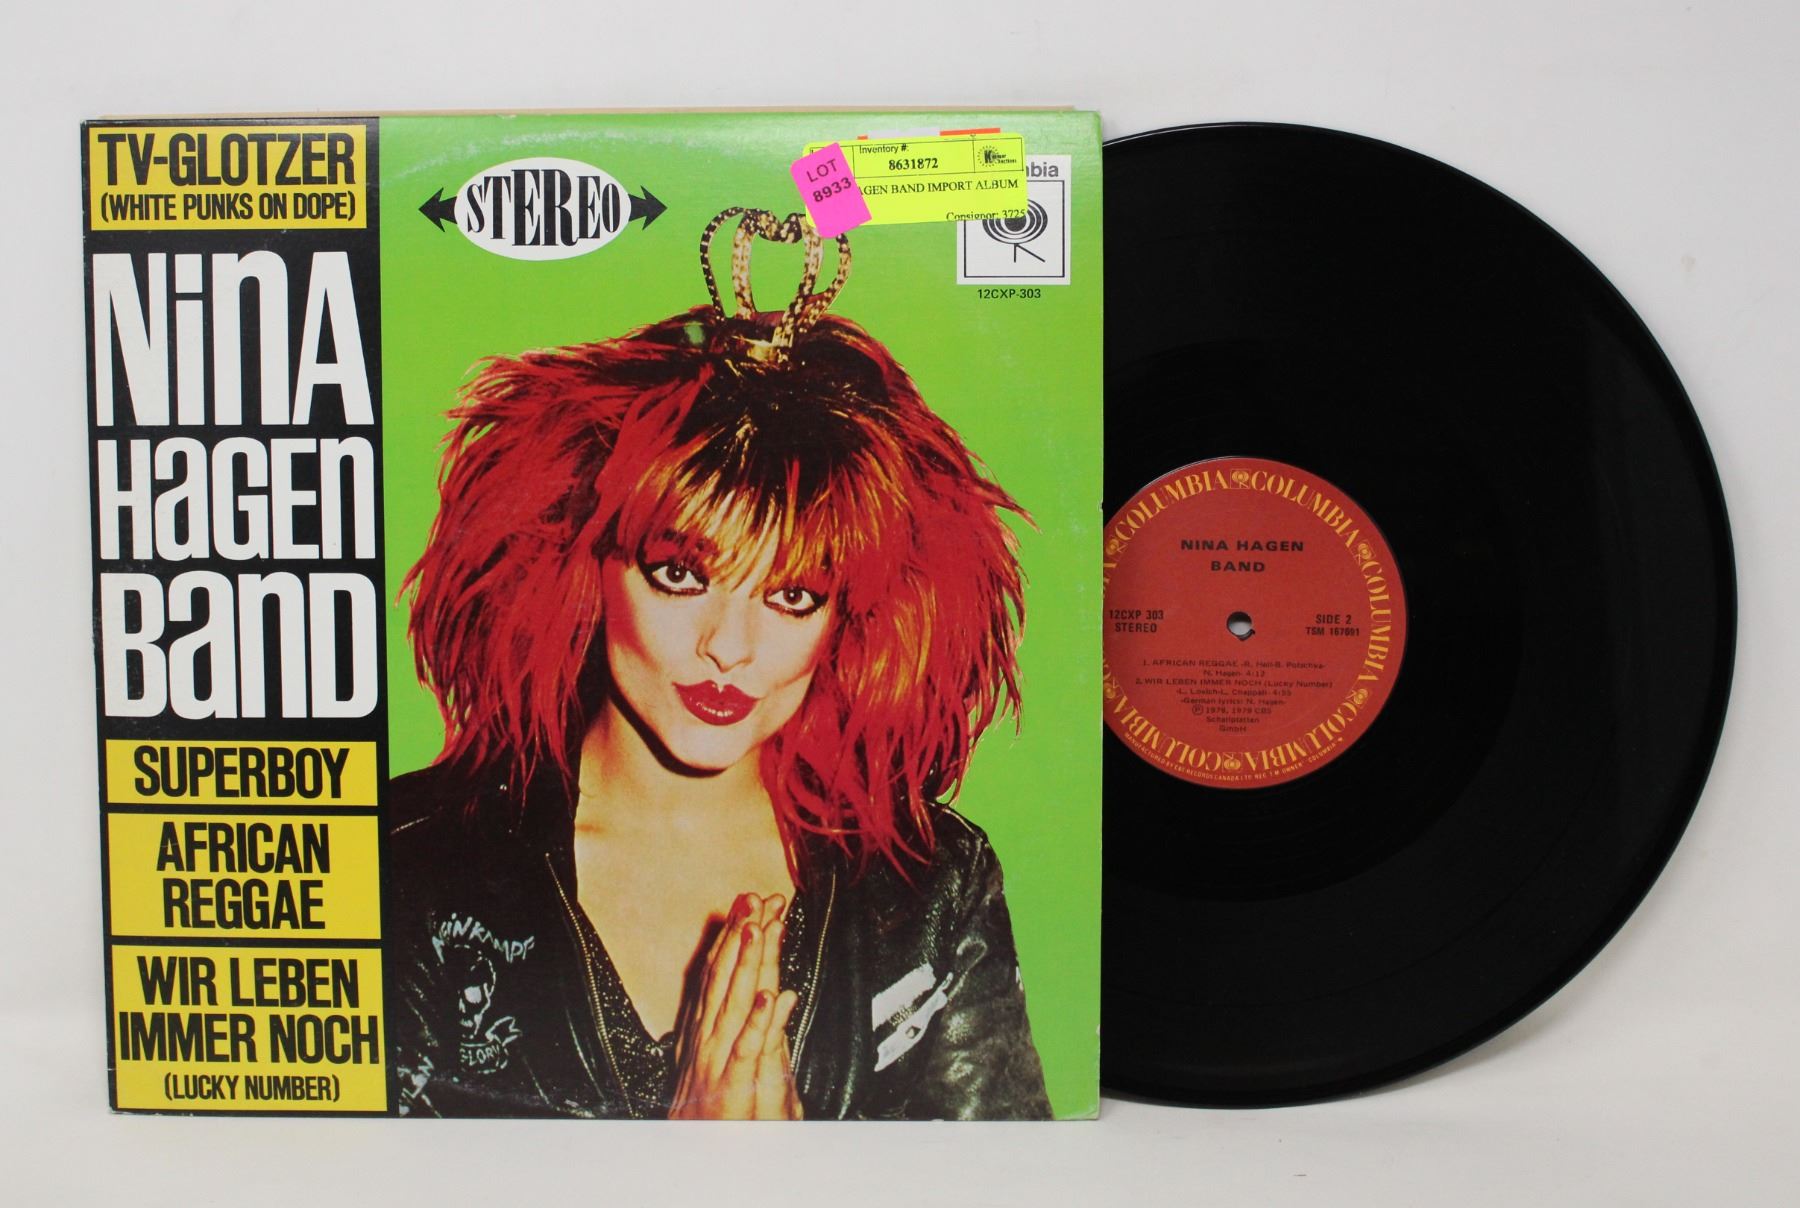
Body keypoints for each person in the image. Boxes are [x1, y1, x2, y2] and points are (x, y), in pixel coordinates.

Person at [387, 209, 1051, 1119]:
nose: (729, 648)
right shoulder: (413, 868)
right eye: (680, 575)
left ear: (849, 617)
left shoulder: (930, 886)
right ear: (585, 567)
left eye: (793, 595)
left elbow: (1005, 1179)